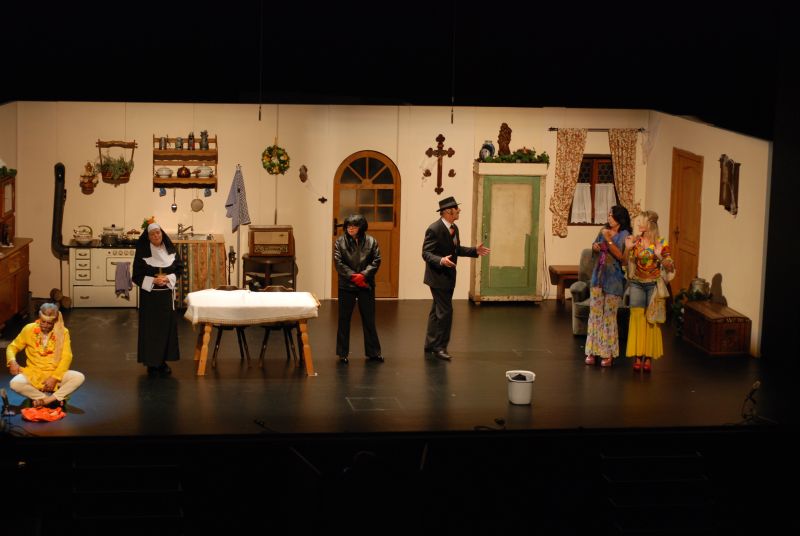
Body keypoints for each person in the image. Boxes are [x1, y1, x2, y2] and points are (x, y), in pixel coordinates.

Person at [422, 196, 490, 360]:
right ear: (447, 211)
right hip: (438, 277)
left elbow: (456, 249)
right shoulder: (434, 229)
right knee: (445, 312)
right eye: (456, 208)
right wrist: (441, 260)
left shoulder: (454, 228)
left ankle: (431, 344)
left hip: (448, 276)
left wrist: (474, 250)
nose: (459, 210)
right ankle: (440, 348)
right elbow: (426, 253)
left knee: (437, 311)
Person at [624, 210, 675, 372]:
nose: (639, 224)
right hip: (637, 284)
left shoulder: (661, 242)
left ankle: (648, 357)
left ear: (650, 224)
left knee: (651, 319)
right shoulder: (635, 241)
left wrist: (660, 256)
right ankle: (638, 356)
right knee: (637, 318)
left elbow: (670, 266)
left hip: (653, 285)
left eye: (642, 221)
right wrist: (627, 249)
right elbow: (624, 262)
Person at [5, 302, 85, 407]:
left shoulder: (62, 332)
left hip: (55, 373)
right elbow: (12, 347)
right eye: (43, 322)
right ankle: (49, 399)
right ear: (39, 317)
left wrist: (54, 378)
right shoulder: (29, 329)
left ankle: (46, 401)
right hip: (33, 374)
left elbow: (67, 357)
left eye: (49, 323)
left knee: (79, 377)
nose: (46, 326)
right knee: (15, 383)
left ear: (55, 321)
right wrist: (12, 361)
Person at [133, 220, 183, 377]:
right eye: (152, 234)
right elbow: (136, 276)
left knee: (166, 329)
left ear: (162, 233)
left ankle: (162, 362)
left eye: (158, 232)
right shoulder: (143, 252)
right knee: (151, 330)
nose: (156, 236)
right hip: (150, 298)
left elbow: (179, 269)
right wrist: (153, 280)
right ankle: (151, 363)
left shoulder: (170, 250)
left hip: (166, 297)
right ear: (148, 237)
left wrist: (168, 278)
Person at [584, 205, 632, 368]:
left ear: (620, 218)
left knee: (609, 317)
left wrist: (608, 240)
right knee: (595, 314)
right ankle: (592, 351)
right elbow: (595, 246)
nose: (609, 217)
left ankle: (607, 352)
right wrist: (595, 246)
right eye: (609, 214)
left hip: (614, 279)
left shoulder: (625, 235)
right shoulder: (603, 230)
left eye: (612, 215)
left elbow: (622, 258)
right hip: (598, 277)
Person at [333, 214, 383, 364]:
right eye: (348, 226)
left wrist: (364, 275)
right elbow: (338, 262)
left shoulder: (371, 241)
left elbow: (376, 260)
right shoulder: (340, 242)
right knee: (344, 319)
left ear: (361, 227)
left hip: (365, 284)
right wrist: (354, 276)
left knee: (369, 319)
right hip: (346, 285)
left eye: (354, 226)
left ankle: (373, 352)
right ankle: (342, 353)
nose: (351, 229)